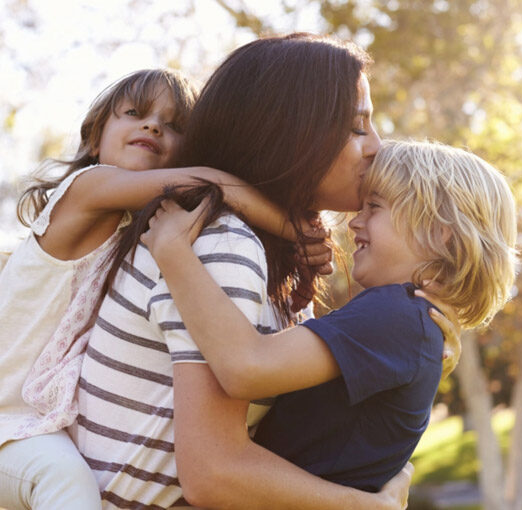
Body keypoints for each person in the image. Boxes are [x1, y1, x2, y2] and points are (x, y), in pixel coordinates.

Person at [73, 34, 455, 509]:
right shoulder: (221, 245)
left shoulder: (252, 250)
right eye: (358, 126)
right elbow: (214, 475)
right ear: (292, 132)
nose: (377, 146)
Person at [0, 67, 302, 510]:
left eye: (174, 125)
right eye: (135, 113)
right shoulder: (86, 188)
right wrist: (296, 233)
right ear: (94, 138)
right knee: (65, 483)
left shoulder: (138, 229)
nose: (153, 126)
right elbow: (209, 184)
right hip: (8, 423)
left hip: (39, 425)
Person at [143, 138, 517, 493]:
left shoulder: (395, 313)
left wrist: (173, 251)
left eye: (375, 206)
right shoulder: (412, 324)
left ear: (439, 234)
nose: (354, 222)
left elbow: (246, 367)